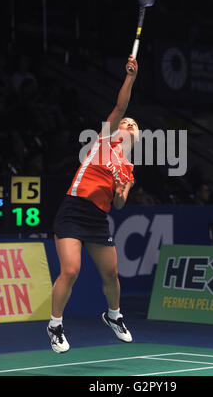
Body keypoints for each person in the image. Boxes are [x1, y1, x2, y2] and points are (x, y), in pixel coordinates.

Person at [47, 55, 139, 353]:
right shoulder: (104, 140)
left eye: (132, 124)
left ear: (136, 136)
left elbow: (120, 204)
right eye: (126, 121)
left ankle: (114, 316)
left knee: (111, 274)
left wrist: (123, 192)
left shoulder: (128, 168)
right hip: (74, 209)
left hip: (98, 218)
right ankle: (55, 325)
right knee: (70, 270)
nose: (127, 123)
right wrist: (130, 78)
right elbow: (120, 107)